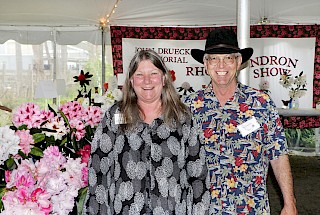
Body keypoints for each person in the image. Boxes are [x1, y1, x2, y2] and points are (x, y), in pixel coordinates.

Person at [183, 28, 298, 215]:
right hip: (202, 209)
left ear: (238, 62)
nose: (221, 65)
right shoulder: (188, 106)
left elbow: (278, 155)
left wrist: (289, 202)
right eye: (213, 58)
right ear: (205, 64)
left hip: (251, 208)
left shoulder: (261, 103)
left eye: (228, 58)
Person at [82, 49, 210, 214]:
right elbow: (98, 169)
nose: (147, 81)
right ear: (131, 80)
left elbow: (198, 174)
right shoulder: (115, 115)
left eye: (153, 73)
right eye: (140, 74)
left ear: (164, 78)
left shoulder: (182, 118)